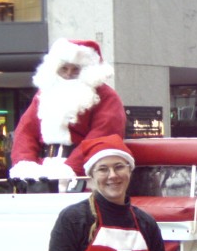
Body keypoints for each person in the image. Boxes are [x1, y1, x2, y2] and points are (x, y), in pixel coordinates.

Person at [9, 38, 126, 183]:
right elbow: (26, 131)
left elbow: (103, 136)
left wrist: (72, 168)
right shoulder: (44, 93)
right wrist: (25, 163)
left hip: (84, 174)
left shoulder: (107, 97)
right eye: (64, 68)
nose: (69, 74)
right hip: (41, 172)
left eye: (76, 69)